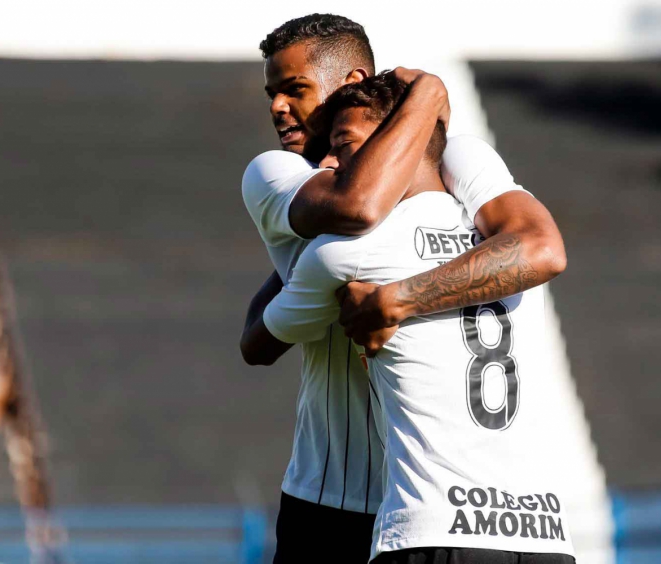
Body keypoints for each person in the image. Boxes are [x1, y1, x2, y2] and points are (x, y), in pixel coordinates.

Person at [240, 14, 566, 563]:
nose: (276, 107)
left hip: (440, 503)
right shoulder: (276, 172)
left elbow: (541, 247)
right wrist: (429, 93)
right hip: (336, 496)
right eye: (272, 93)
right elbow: (357, 206)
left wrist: (398, 298)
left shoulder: (455, 154)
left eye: (294, 90)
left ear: (351, 82)